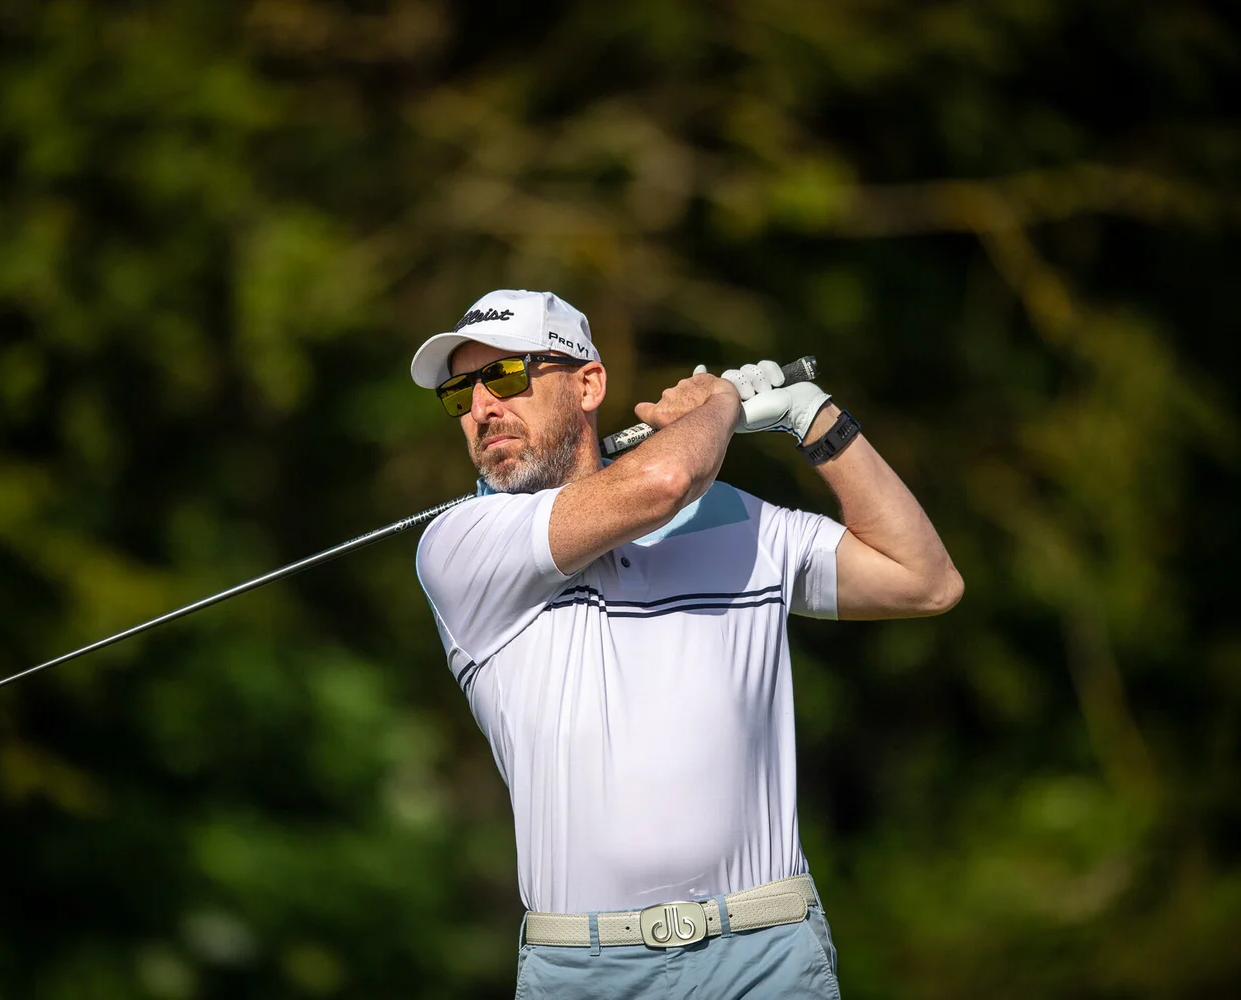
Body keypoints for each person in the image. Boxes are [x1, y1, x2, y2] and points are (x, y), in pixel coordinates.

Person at [411, 289, 962, 999]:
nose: (482, 406)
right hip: (582, 968)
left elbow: (925, 581)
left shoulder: (734, 521)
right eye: (461, 392)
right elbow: (664, 479)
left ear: (588, 384)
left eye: (506, 375)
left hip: (765, 953)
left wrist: (814, 418)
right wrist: (721, 404)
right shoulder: (461, 544)